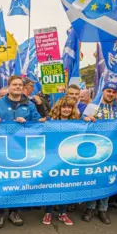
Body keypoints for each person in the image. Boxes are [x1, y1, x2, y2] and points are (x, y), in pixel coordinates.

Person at [0, 75, 44, 228]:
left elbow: (37, 124)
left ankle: (13, 211)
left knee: (17, 181)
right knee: (0, 180)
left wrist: (28, 123)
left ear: (23, 88)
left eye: (19, 85)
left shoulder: (29, 105)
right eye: (14, 84)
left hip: (21, 150)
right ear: (9, 86)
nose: (17, 87)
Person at [82, 82, 117, 225]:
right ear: (103, 91)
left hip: (112, 149)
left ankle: (103, 209)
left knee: (109, 178)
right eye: (108, 91)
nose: (111, 94)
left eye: (114, 92)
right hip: (95, 149)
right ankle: (90, 208)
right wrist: (86, 119)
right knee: (94, 177)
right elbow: (81, 125)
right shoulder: (92, 107)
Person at [42, 97, 77, 226]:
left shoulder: (77, 122)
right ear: (59, 108)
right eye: (64, 107)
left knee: (65, 186)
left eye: (70, 107)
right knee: (51, 186)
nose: (67, 109)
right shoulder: (50, 121)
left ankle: (63, 213)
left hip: (68, 159)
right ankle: (48, 212)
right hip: (51, 158)